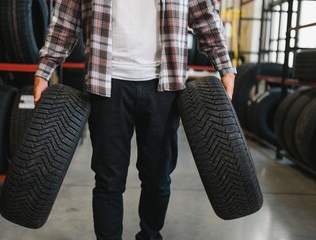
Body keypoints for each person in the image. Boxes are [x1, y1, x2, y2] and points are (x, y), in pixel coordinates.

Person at [34, 0, 236, 239]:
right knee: (108, 180)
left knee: (159, 177)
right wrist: (45, 70)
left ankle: (150, 235)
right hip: (106, 83)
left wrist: (225, 66)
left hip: (165, 83)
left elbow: (204, 15)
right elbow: (65, 19)